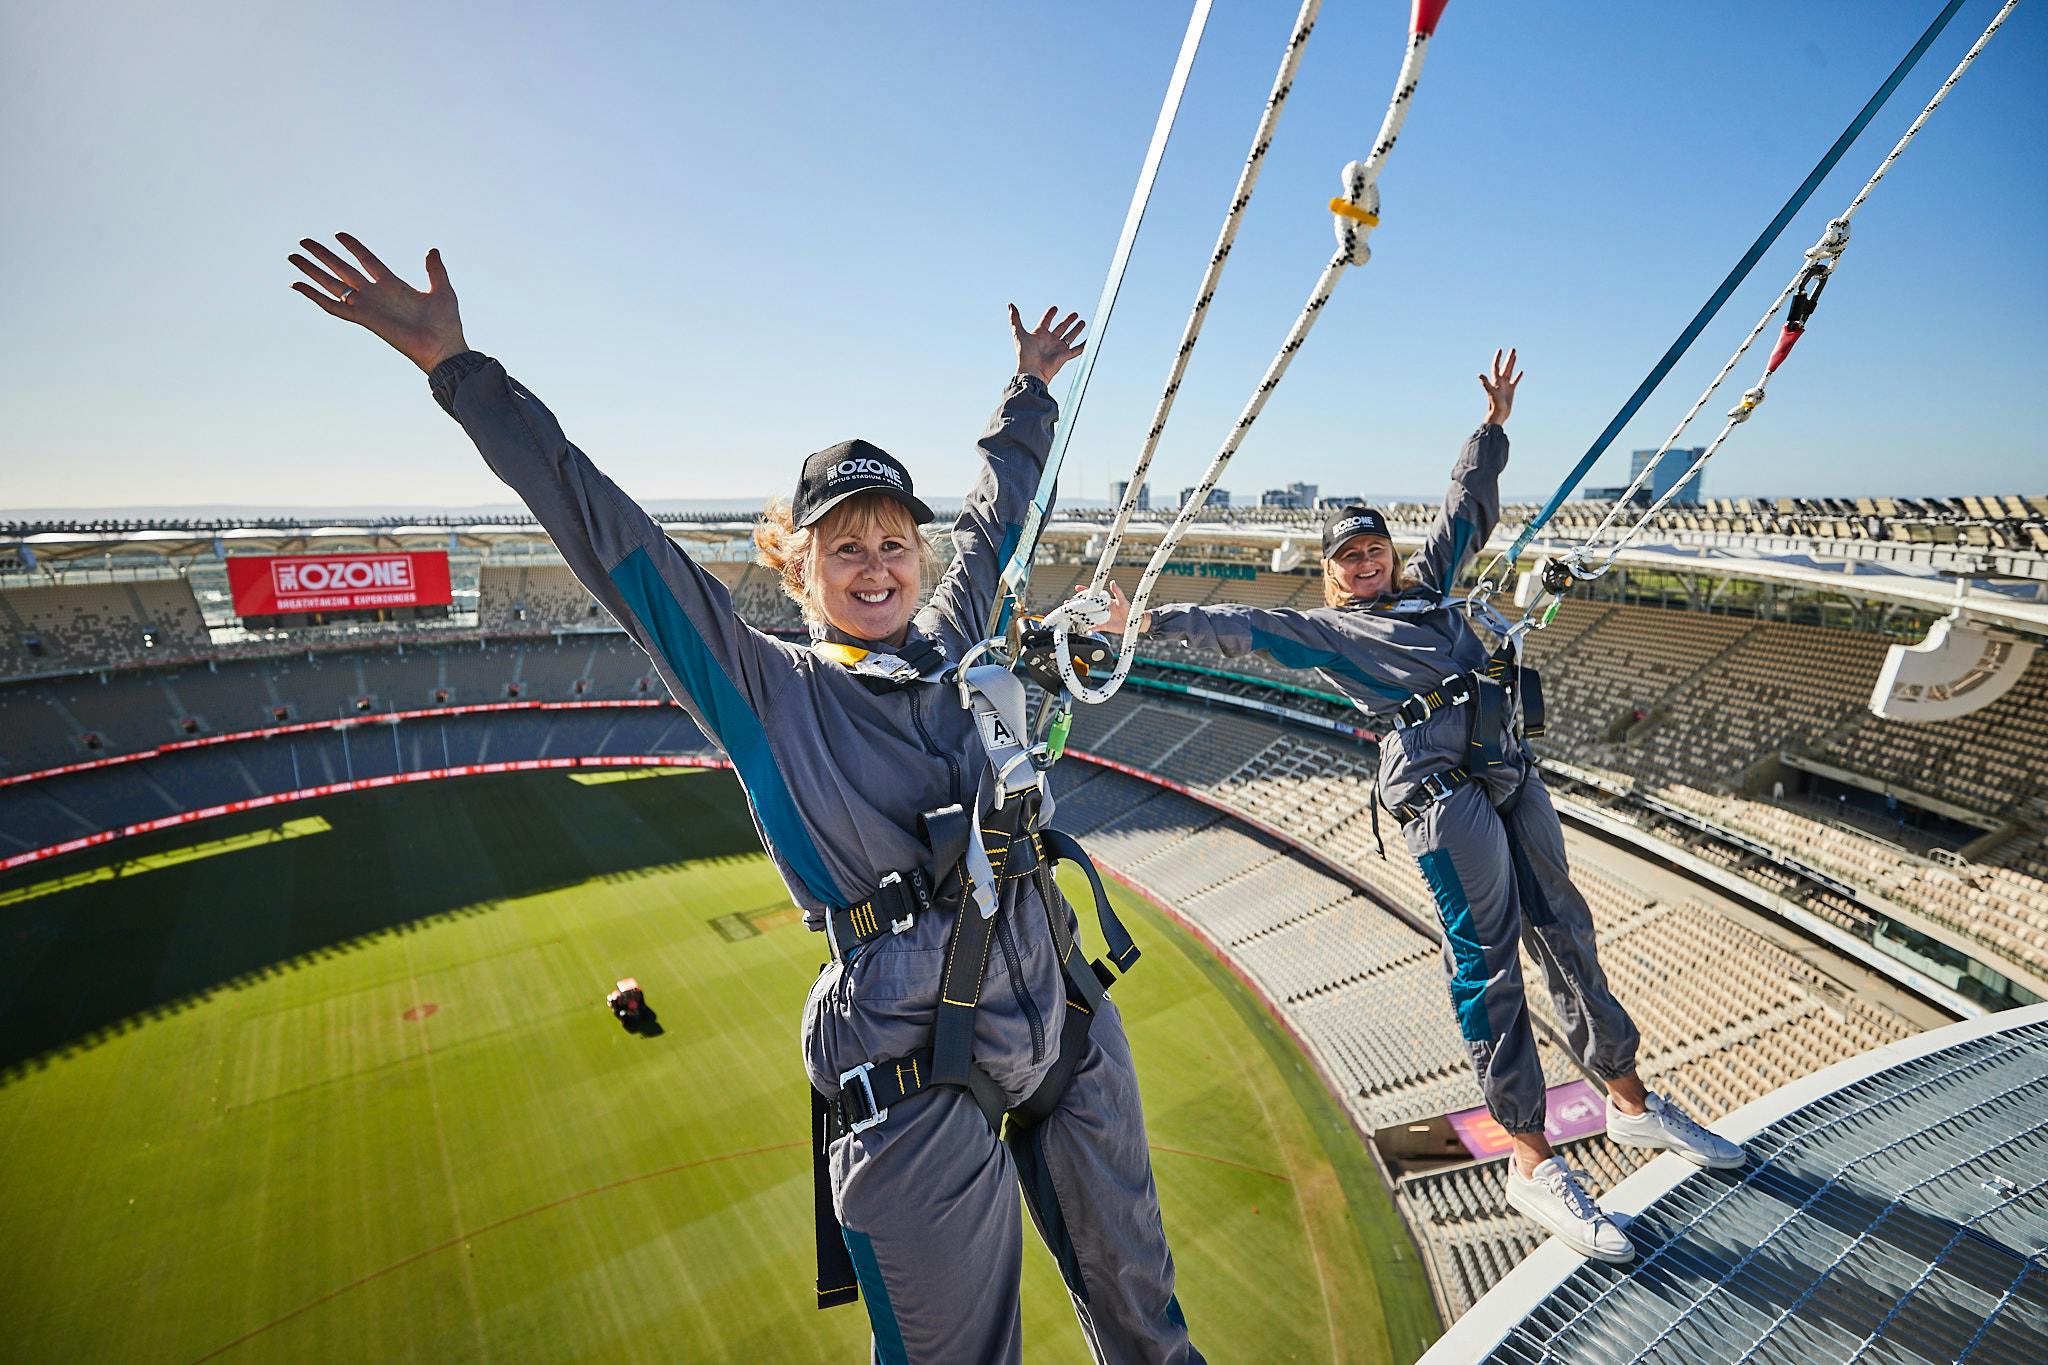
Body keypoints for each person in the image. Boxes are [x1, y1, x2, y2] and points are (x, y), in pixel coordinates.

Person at [290, 234, 1201, 1362]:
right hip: (916, 1068)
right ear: (798, 572)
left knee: (1150, 1326)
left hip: (1057, 1009)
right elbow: (612, 542)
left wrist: (1027, 393)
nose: (876, 564)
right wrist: (461, 372)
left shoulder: (952, 636)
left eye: (893, 541)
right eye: (844, 548)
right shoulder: (768, 692)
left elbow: (998, 513)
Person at [1101, 349, 1744, 1264]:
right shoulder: (1332, 631)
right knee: (1491, 964)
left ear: (1391, 555)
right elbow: (1240, 627)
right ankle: (1531, 1158)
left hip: (1508, 770)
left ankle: (1633, 1104)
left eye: (1373, 549)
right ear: (1332, 574)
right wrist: (1148, 623)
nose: (1364, 564)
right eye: (1348, 557)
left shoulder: (1433, 589)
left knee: (1567, 929)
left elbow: (1466, 510)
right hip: (1445, 801)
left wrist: (1492, 426)